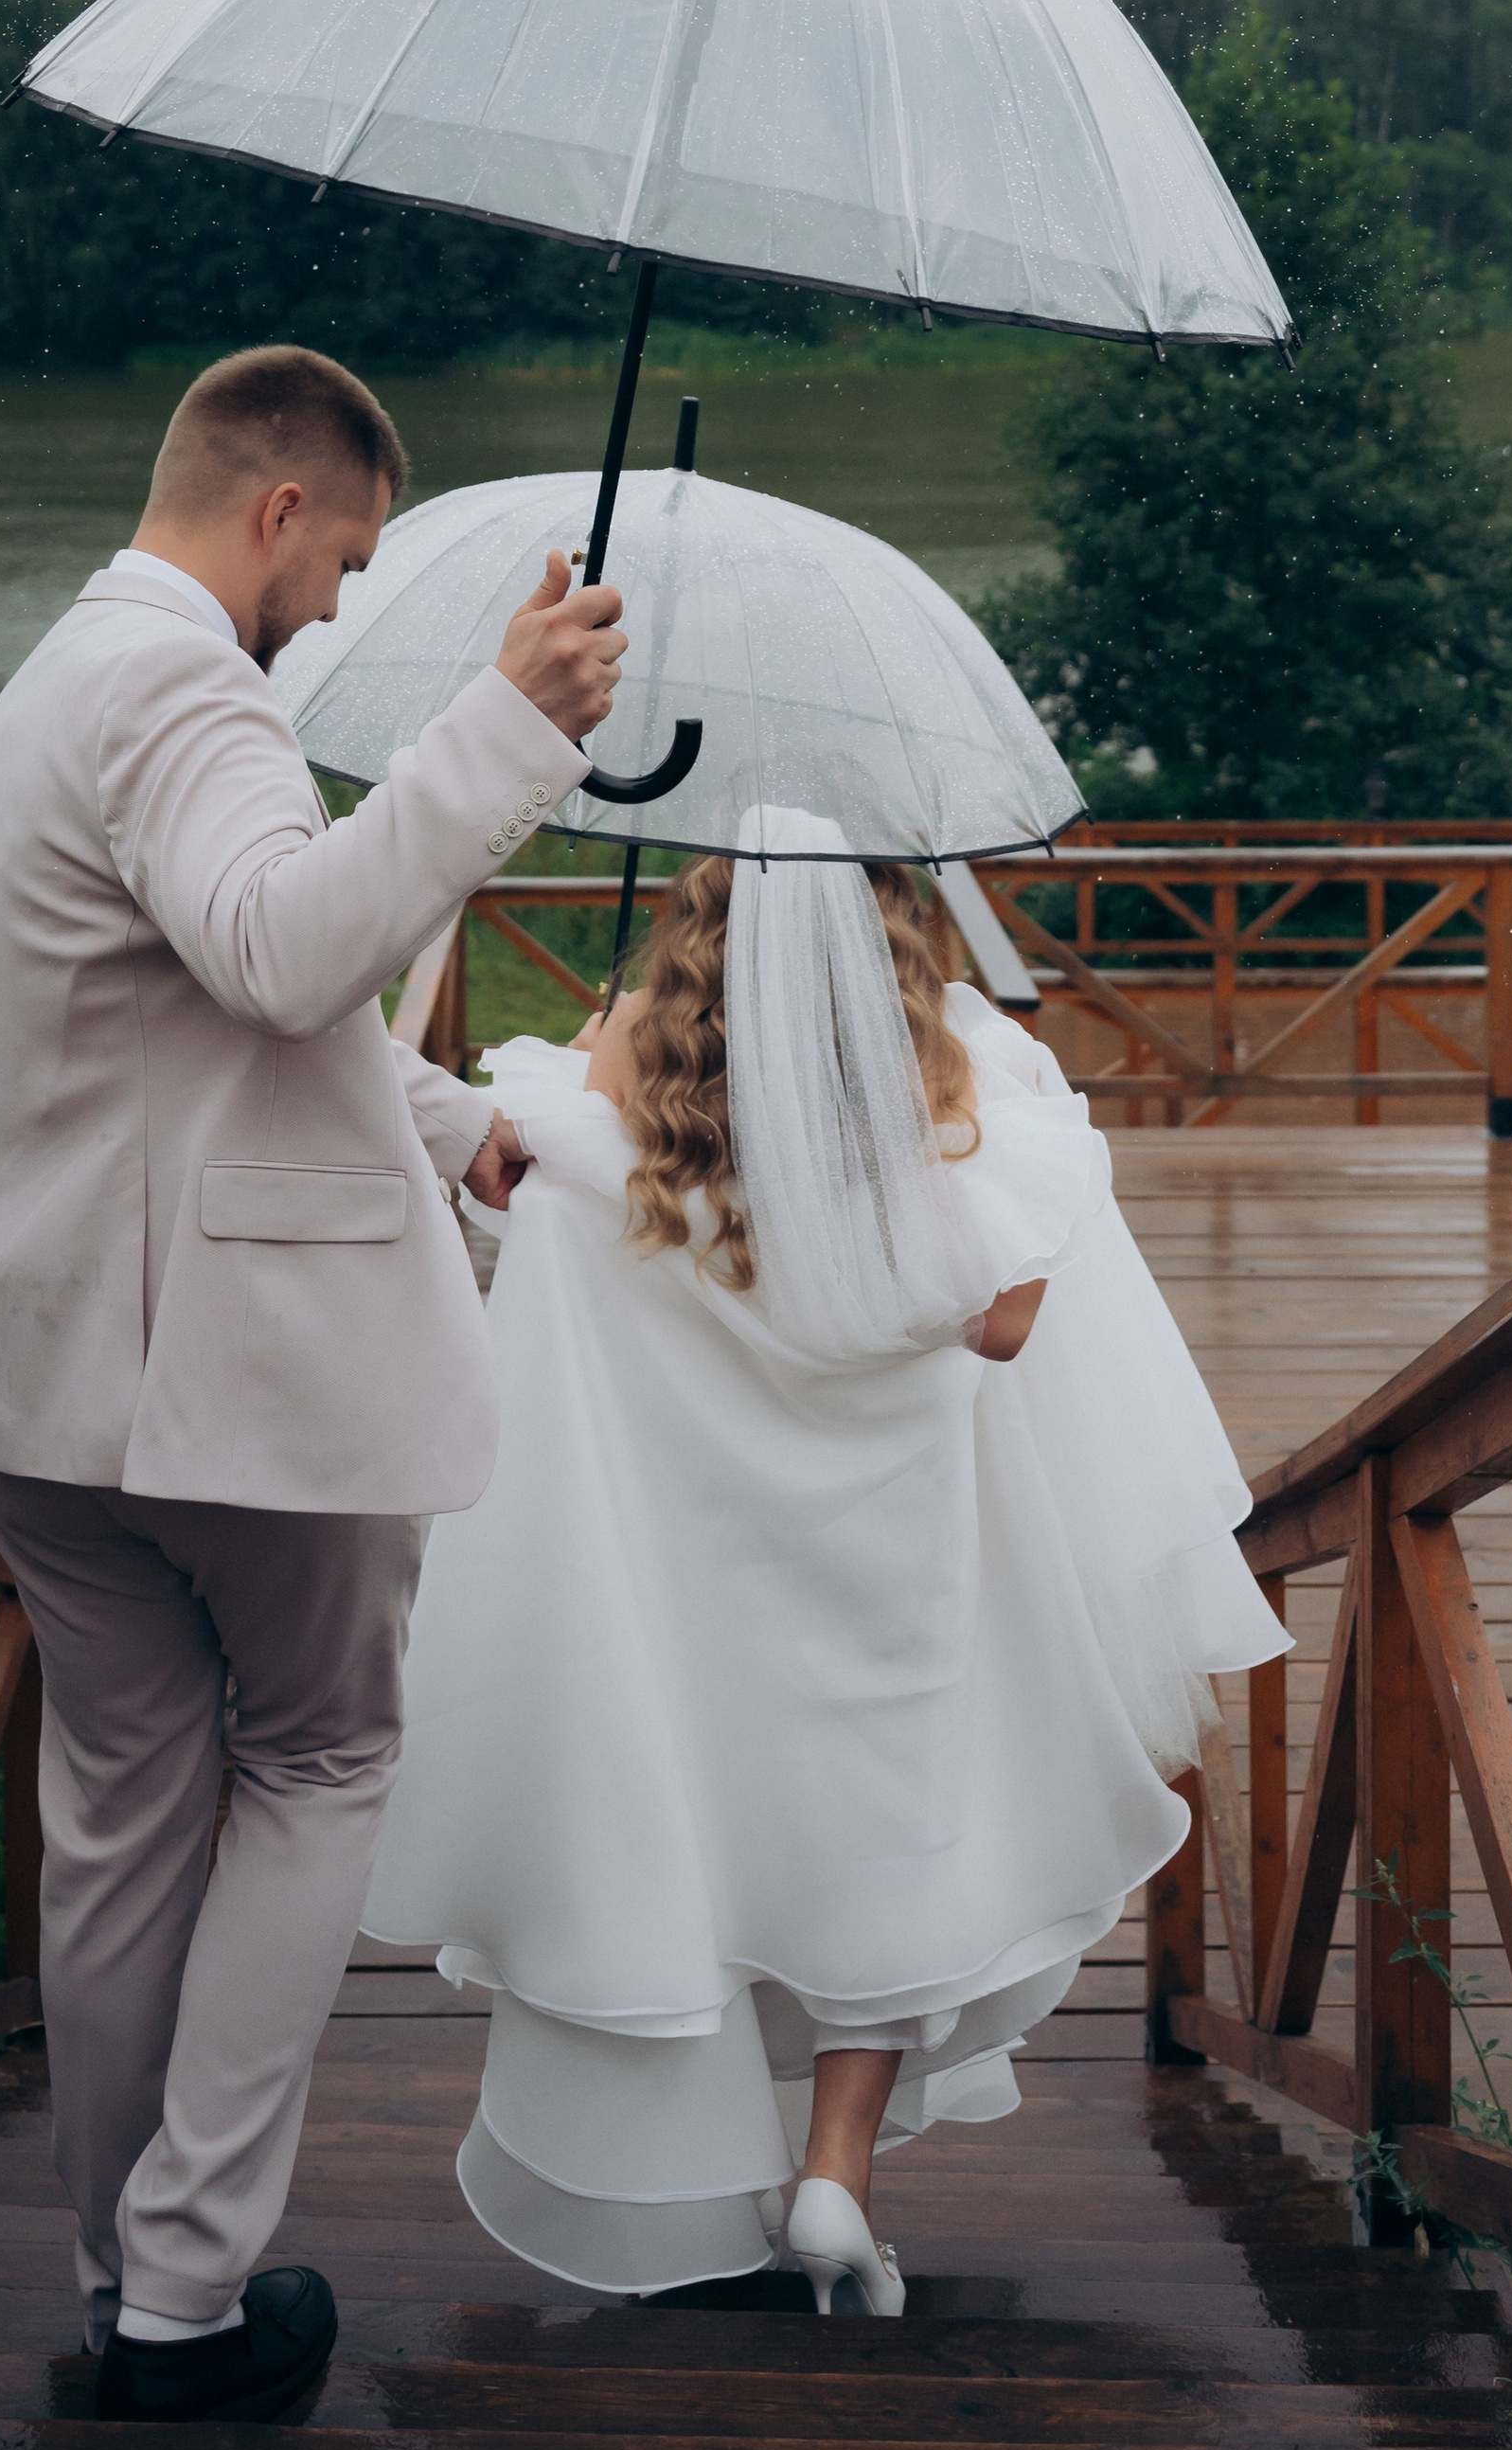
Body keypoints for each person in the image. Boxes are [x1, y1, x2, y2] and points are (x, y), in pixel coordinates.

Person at [0, 345, 623, 2423]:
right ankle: (186, 2294)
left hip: (51, 1380)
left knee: (127, 1815)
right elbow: (277, 947)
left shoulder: (57, 683)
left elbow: (197, 1017)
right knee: (321, 1760)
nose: (336, 607)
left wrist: (450, 1125)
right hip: (225, 1388)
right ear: (277, 510)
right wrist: (508, 722)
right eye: (346, 561)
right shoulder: (179, 687)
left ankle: (127, 2281)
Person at [363, 813, 1290, 2315]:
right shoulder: (951, 1072)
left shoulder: (623, 1057)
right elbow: (1004, 1323)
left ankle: (708, 2153)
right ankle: (835, 2176)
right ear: (890, 928)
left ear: (702, 923)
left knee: (704, 1822)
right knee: (881, 1832)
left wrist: (602, 1078)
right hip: (887, 1544)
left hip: (692, 1548)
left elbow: (533, 1219)